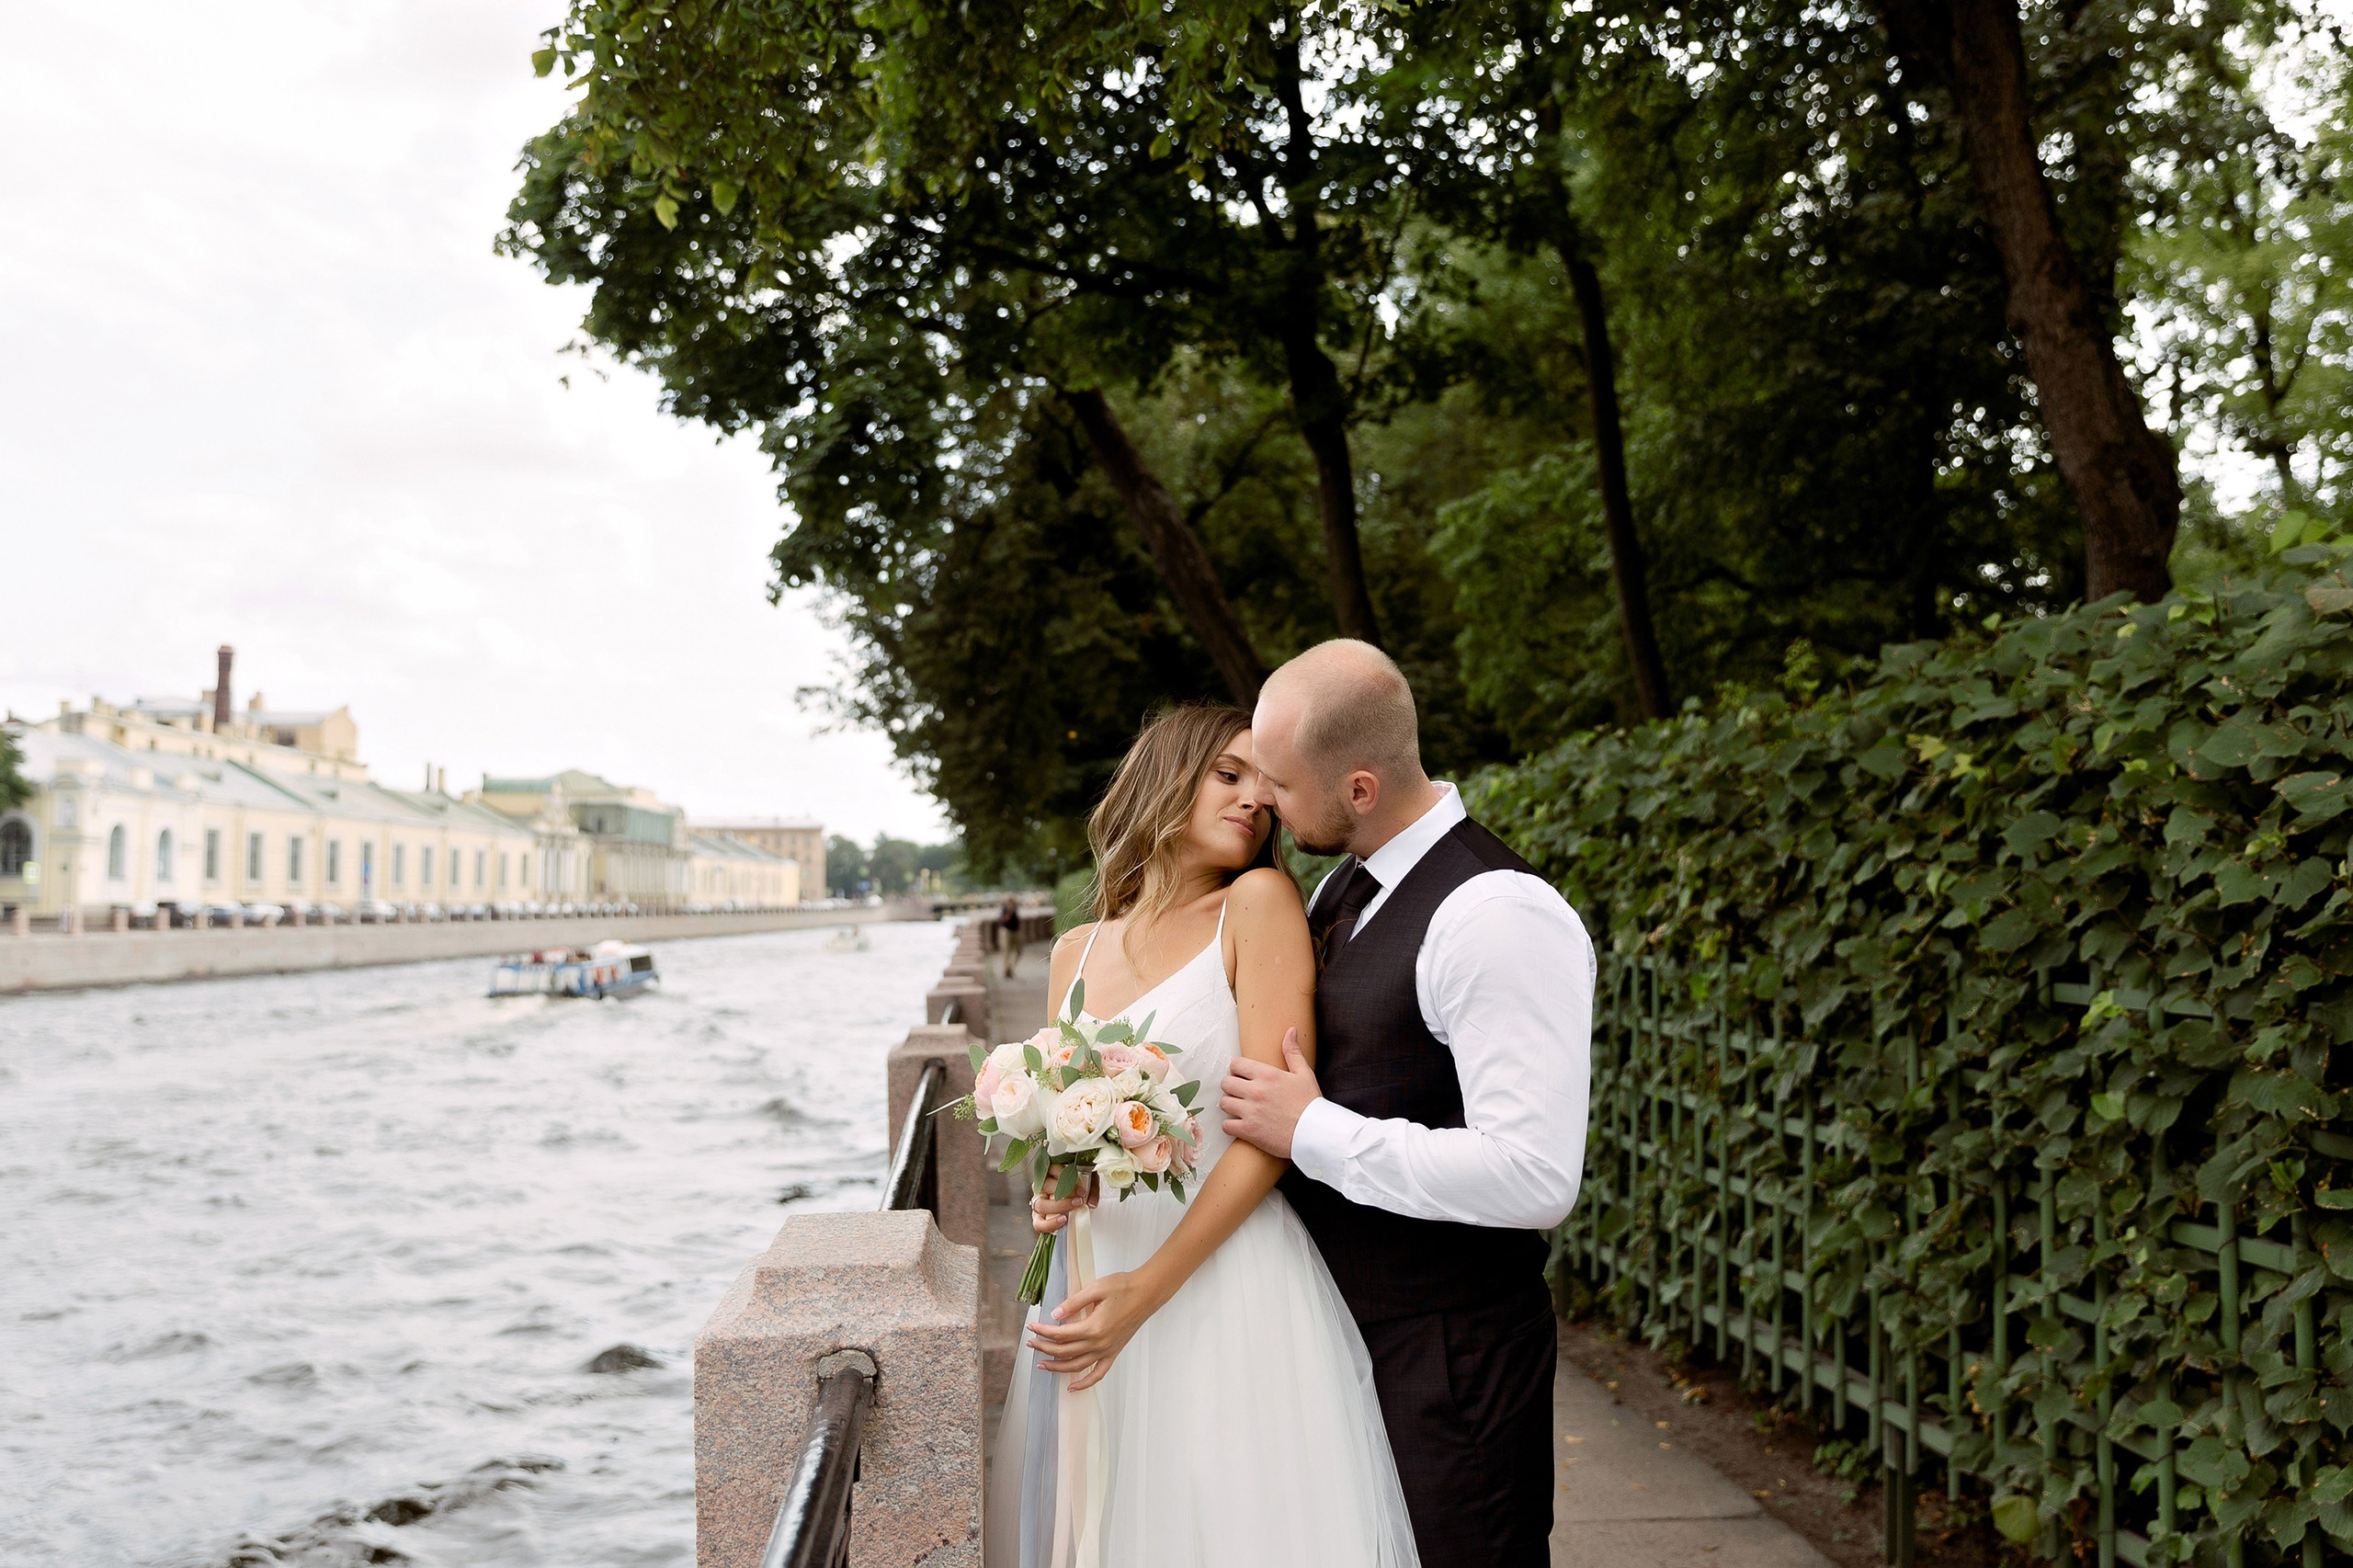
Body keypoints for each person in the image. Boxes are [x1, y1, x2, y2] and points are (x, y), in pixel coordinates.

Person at [986, 703, 1418, 1568]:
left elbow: (1272, 1130)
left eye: (1267, 785)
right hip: (1093, 1271)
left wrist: (1148, 1291)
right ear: (1167, 778)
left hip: (1221, 1277)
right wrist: (1057, 1186)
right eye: (1229, 774)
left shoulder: (1256, 905)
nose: (1255, 798)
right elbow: (1070, 1133)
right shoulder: (1074, 951)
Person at [1219, 639, 1594, 1568]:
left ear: (1358, 788)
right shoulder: (1342, 884)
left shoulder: (1495, 915)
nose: (1263, 800)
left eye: (1280, 781)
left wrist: (1312, 1130)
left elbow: (1533, 1175)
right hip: (1346, 1339)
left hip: (1453, 1362)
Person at [999, 893, 1024, 978]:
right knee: (1006, 952)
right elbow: (1005, 919)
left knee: (1019, 951)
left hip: (1015, 931)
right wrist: (1010, 911)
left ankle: (1010, 969)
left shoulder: (1015, 908)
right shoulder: (1005, 909)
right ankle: (1006, 971)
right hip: (1006, 931)